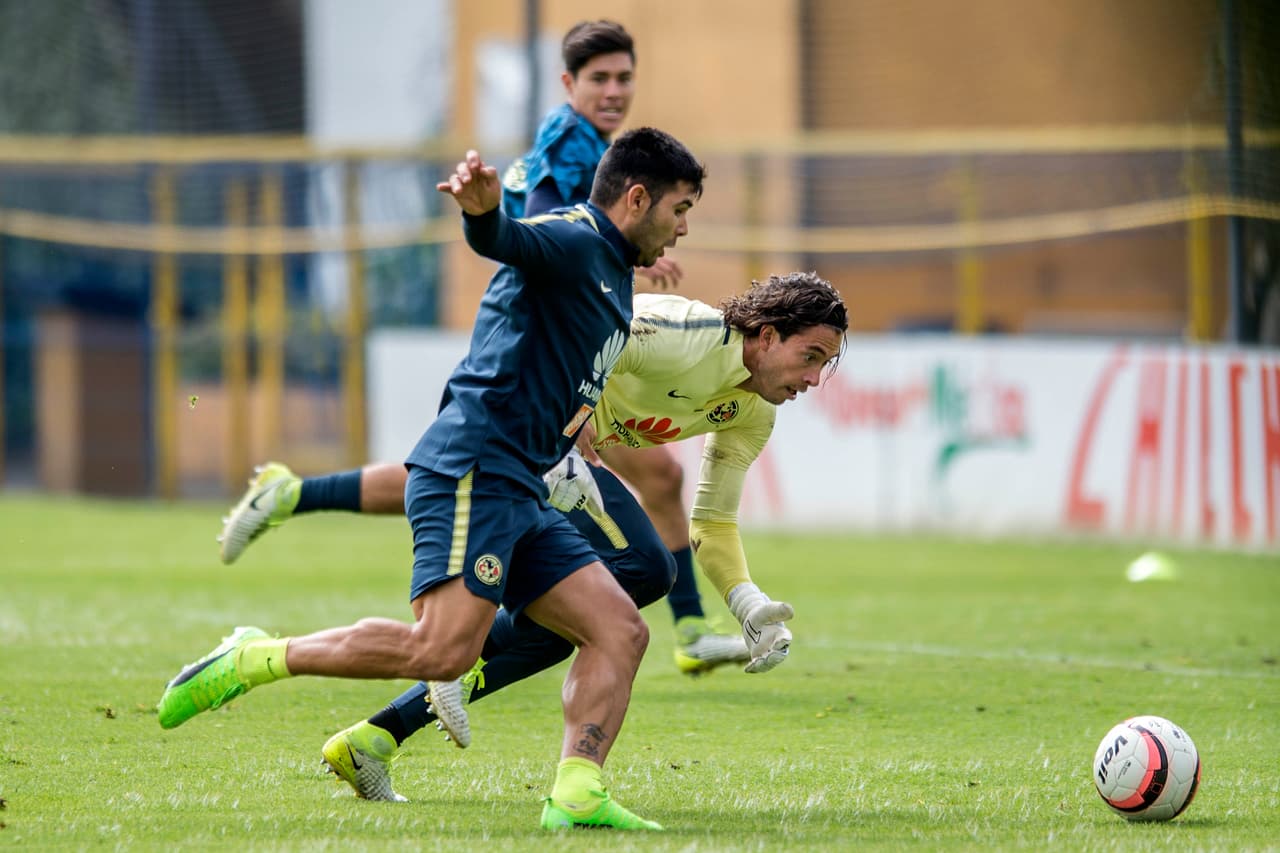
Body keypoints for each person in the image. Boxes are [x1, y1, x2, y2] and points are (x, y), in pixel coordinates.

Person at [158, 128, 708, 833]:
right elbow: (506, 240)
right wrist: (482, 214)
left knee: (619, 629)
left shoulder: (611, 268)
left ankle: (575, 794)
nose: (683, 227)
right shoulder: (572, 241)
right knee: (442, 650)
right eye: (680, 208)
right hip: (475, 470)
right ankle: (255, 655)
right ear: (637, 198)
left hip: (521, 485)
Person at [219, 19, 749, 674]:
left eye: (624, 78)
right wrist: (488, 218)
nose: (614, 91)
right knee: (482, 479)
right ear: (568, 85)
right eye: (599, 78)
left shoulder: (607, 157)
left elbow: (588, 249)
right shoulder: (570, 148)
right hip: (535, 342)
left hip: (553, 345)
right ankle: (662, 627)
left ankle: (298, 499)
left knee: (470, 477)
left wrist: (628, 266)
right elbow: (549, 237)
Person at [249, 274, 851, 803]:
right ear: (767, 336)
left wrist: (747, 603)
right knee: (639, 569)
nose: (816, 378)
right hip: (520, 429)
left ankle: (378, 735)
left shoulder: (753, 412)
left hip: (555, 457)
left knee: (573, 627)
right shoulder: (686, 332)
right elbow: (587, 333)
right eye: (812, 356)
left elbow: (713, 520)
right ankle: (422, 648)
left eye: (828, 364)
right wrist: (573, 417)